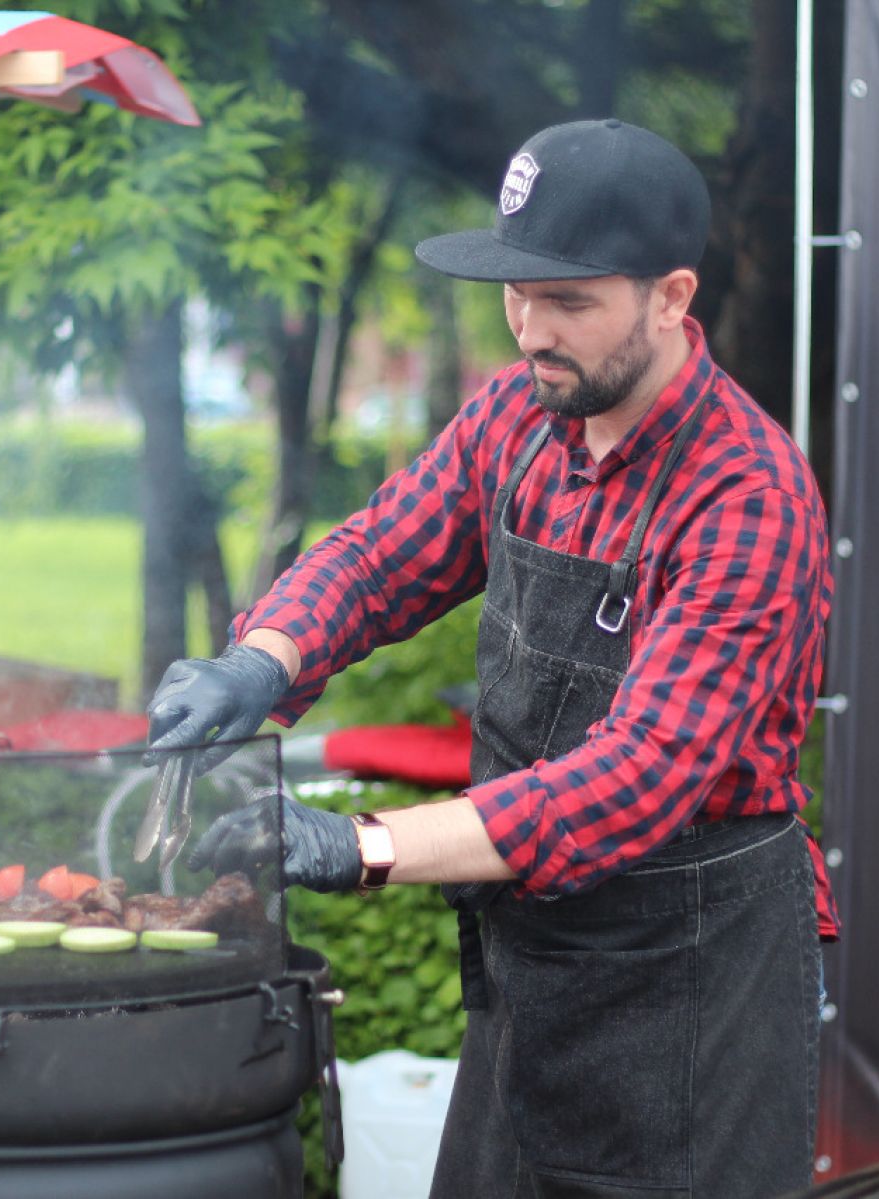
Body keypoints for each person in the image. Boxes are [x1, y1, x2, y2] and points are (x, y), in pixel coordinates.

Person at [147, 119, 837, 1198]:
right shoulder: (522, 416)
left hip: (688, 986)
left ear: (670, 296)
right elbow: (381, 556)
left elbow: (638, 774)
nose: (529, 329)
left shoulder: (749, 497)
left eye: (569, 300)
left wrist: (363, 844)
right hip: (534, 959)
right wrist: (263, 660)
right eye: (517, 293)